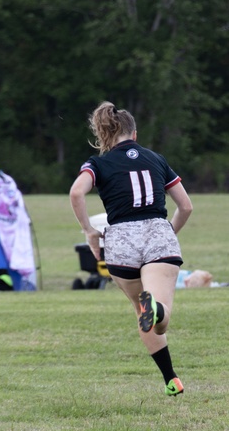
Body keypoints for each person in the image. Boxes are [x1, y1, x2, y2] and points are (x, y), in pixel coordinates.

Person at [69, 102, 193, 397]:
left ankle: (171, 379)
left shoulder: (97, 163)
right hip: (156, 232)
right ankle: (157, 308)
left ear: (105, 136)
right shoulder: (156, 159)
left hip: (120, 241)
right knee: (159, 320)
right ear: (134, 134)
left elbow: (76, 192)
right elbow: (186, 206)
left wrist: (89, 231)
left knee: (141, 311)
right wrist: (165, 234)